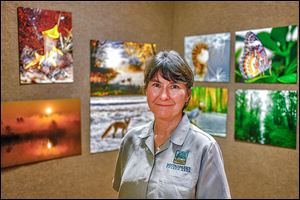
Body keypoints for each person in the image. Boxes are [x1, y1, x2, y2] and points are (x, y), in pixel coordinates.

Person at [112, 50, 231, 199]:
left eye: (174, 86)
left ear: (188, 95)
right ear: (146, 90)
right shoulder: (130, 140)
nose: (163, 96)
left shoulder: (205, 148)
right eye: (156, 85)